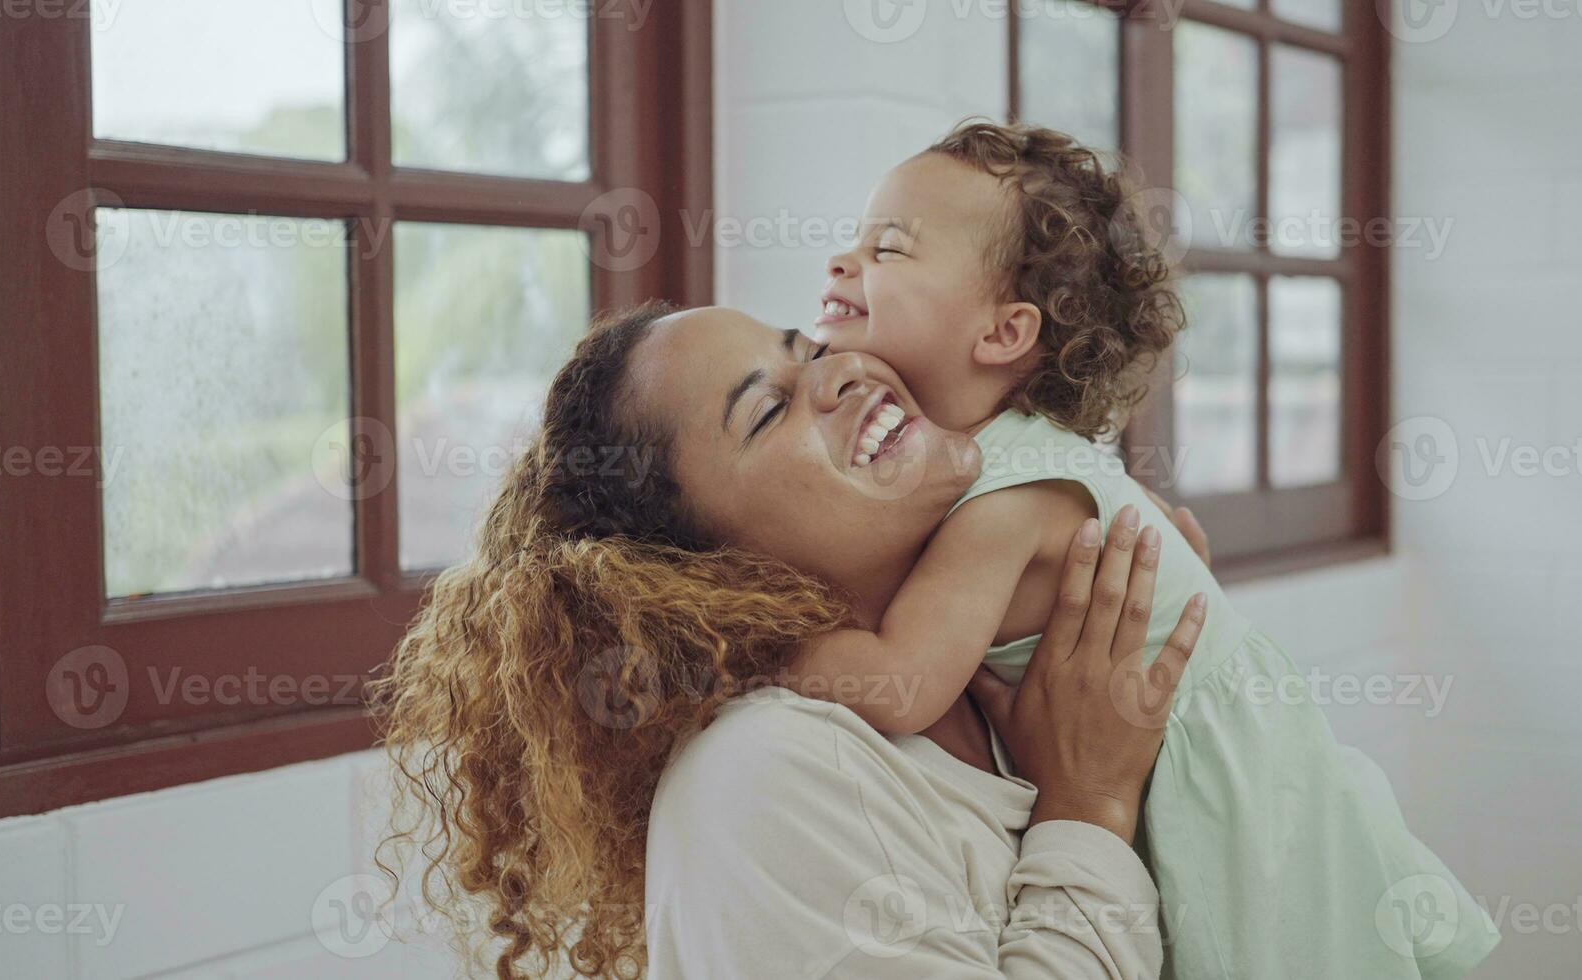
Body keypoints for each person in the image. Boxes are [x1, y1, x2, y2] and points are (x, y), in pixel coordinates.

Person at [797, 120, 1499, 979]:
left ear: (1003, 333)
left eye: (889, 249)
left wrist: (735, 642)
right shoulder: (1015, 460)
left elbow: (901, 683)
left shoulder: (1007, 500)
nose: (841, 260)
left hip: (1241, 797)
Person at [377, 303, 1208, 978]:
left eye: (807, 347)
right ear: (694, 568)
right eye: (769, 408)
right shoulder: (761, 773)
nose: (838, 373)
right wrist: (1089, 804)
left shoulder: (990, 659)